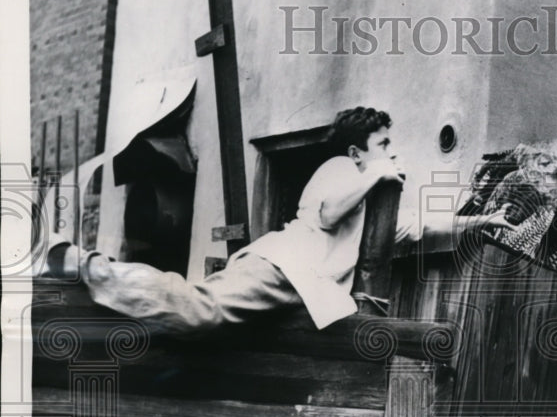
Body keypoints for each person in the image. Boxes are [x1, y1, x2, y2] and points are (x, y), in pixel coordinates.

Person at [37, 106, 516, 335]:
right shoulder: (339, 171)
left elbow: (425, 229)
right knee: (199, 309)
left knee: (210, 328)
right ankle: (81, 264)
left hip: (299, 286)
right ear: (358, 153)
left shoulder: (373, 203)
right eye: (384, 145)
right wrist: (376, 174)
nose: (392, 153)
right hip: (281, 267)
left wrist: (484, 221)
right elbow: (328, 214)